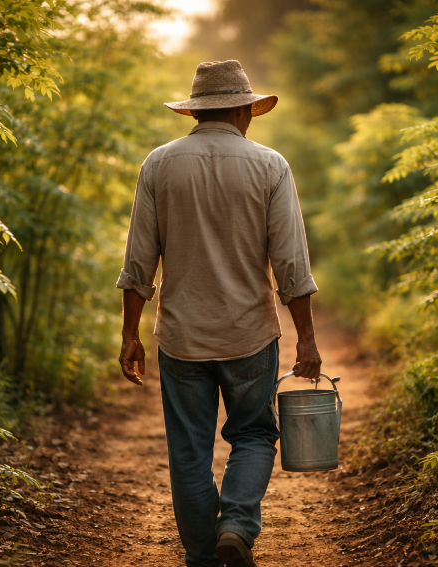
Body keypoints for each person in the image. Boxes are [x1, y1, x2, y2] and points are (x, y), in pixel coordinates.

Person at [116, 60, 321, 567]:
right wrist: (307, 339)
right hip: (250, 334)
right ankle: (236, 526)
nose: (251, 118)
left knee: (189, 450)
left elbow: (139, 259)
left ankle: (203, 559)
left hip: (182, 338)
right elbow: (291, 261)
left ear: (198, 110)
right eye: (249, 110)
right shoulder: (270, 165)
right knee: (253, 434)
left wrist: (130, 334)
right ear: (238, 109)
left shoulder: (158, 164)